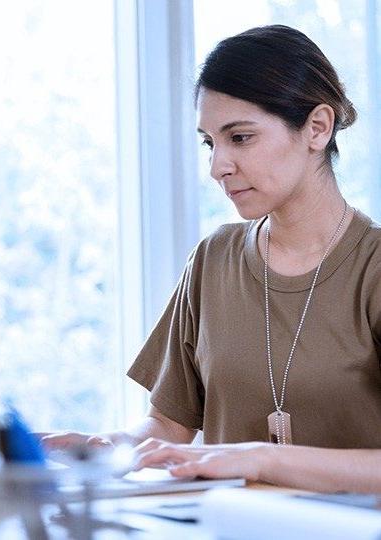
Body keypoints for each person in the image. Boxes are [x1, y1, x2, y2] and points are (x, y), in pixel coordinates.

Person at [41, 24, 381, 493]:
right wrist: (109, 447)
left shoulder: (374, 268)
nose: (218, 165)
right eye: (209, 142)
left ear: (317, 128)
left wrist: (257, 459)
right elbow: (168, 428)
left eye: (239, 138)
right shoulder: (214, 258)